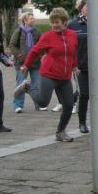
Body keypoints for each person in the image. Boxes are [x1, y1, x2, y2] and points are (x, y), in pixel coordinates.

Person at [14, 8, 79, 142]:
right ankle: (28, 87)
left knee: (68, 105)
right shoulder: (47, 36)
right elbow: (34, 51)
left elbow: (73, 52)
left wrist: (74, 66)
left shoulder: (72, 35)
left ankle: (60, 132)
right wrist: (26, 65)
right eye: (52, 22)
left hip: (64, 77)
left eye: (57, 22)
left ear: (64, 22)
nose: (54, 25)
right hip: (49, 74)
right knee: (43, 102)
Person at [9, 12, 42, 114]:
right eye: (31, 18)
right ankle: (18, 105)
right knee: (20, 85)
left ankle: (38, 104)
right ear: (25, 20)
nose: (33, 20)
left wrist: (39, 55)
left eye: (33, 18)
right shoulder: (18, 31)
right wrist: (19, 55)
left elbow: (42, 45)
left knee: (37, 85)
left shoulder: (37, 32)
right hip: (21, 63)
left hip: (35, 63)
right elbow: (12, 45)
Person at [67, 0, 90, 134]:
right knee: (84, 94)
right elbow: (69, 46)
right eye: (87, 6)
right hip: (80, 67)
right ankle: (82, 122)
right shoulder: (73, 25)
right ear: (81, 8)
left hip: (96, 66)